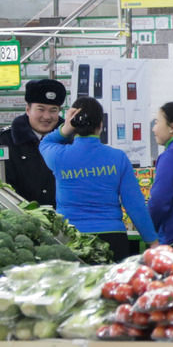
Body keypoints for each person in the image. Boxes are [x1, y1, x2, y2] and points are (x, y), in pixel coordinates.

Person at [40, 97, 157, 261]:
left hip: (71, 238)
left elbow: (45, 142)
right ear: (101, 125)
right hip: (112, 239)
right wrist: (152, 241)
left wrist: (65, 128)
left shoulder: (59, 156)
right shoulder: (118, 158)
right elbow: (134, 204)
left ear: (73, 124)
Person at [0, 79, 67, 207]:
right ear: (28, 110)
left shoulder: (70, 139)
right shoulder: (5, 140)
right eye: (40, 109)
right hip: (21, 217)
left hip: (66, 217)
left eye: (53, 110)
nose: (47, 116)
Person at [148, 101, 173, 246]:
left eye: (157, 122)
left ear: (172, 127)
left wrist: (148, 229)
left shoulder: (170, 155)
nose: (154, 129)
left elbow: (159, 201)